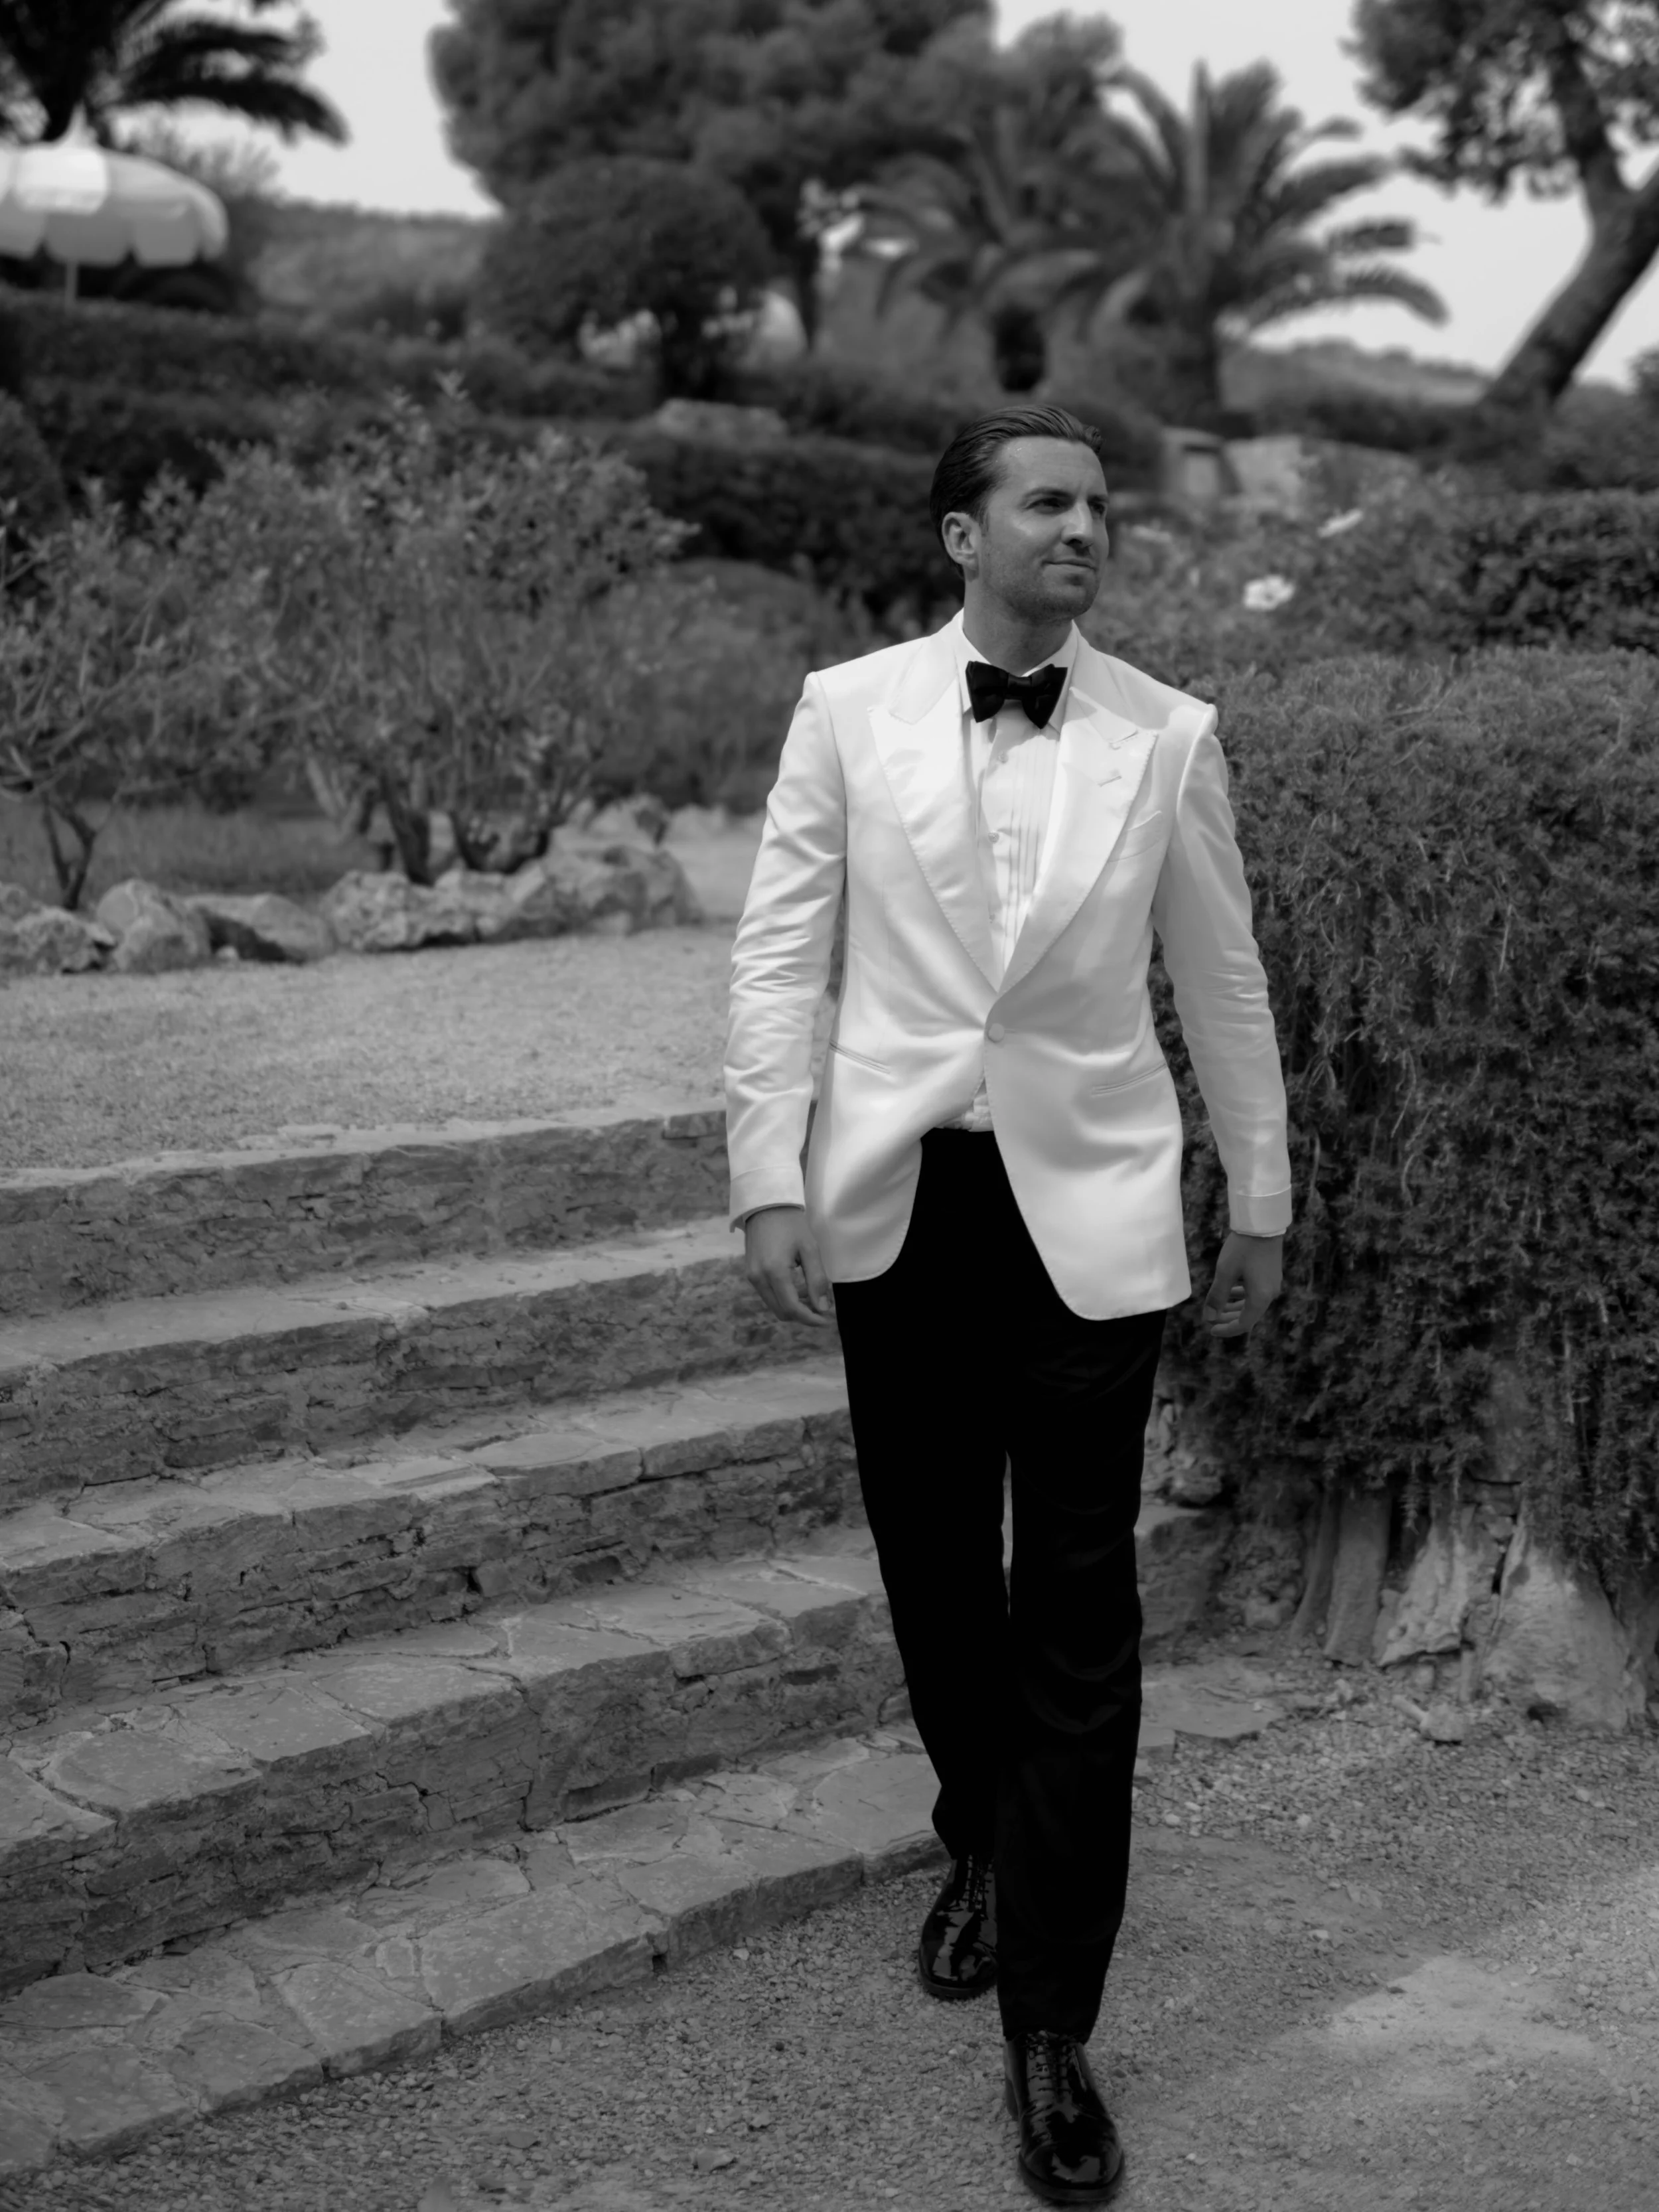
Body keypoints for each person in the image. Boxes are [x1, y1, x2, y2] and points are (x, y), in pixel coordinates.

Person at [723, 404, 1291, 2206]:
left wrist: (1258, 1192)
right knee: (927, 1567)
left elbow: (1222, 980)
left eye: (1097, 508)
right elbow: (778, 956)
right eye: (1047, 503)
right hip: (902, 1198)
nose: (1084, 531)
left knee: (1076, 1600)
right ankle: (981, 1822)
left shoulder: (1165, 733)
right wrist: (762, 1171)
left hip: (1087, 1215)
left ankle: (1050, 2019)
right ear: (959, 534)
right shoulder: (844, 707)